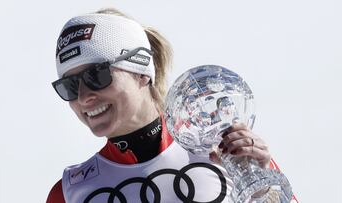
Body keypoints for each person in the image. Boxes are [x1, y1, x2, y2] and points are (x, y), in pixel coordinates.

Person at [47, 8, 298, 203]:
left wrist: (264, 183)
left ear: (141, 71)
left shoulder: (223, 151)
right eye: (69, 86)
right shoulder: (70, 192)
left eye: (96, 76)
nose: (83, 97)